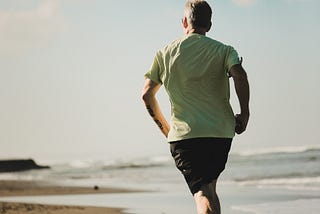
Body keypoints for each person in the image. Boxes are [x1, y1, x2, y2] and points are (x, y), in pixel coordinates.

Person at [141, 0, 250, 213]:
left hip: (184, 136)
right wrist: (245, 114)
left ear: (184, 22)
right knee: (208, 188)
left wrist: (166, 129)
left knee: (202, 193)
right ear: (209, 25)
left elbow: (146, 95)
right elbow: (240, 75)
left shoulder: (164, 54)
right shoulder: (225, 50)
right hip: (219, 133)